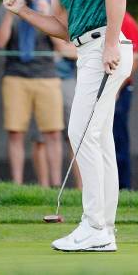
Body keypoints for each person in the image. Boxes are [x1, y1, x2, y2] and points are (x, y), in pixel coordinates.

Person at [4, 0, 133, 252]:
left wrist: (109, 44)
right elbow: (61, 28)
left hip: (108, 46)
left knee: (80, 132)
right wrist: (23, 12)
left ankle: (94, 227)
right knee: (100, 139)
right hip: (86, 51)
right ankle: (104, 229)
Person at [0, 0, 64, 187]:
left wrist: (47, 18)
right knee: (15, 133)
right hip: (16, 76)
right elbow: (0, 41)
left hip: (46, 76)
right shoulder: (6, 4)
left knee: (53, 133)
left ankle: (55, 188)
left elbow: (61, 46)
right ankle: (17, 186)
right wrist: (11, 11)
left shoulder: (51, 3)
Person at [113, 12, 138, 189]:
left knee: (118, 139)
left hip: (120, 90)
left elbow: (134, 60)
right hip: (100, 88)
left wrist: (116, 87)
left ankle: (123, 187)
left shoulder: (127, 21)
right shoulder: (96, 15)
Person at [55, 41, 82, 189]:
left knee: (75, 136)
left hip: (69, 80)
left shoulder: (71, 20)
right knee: (48, 136)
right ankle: (50, 187)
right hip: (41, 77)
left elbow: (75, 51)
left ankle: (82, 188)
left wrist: (61, 47)